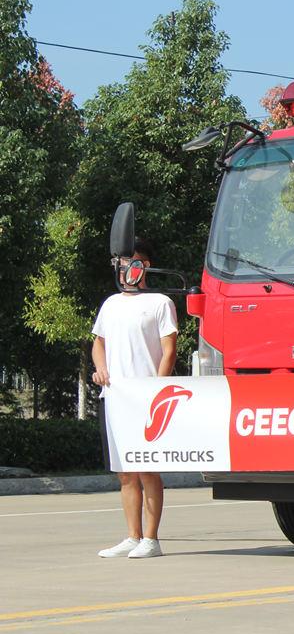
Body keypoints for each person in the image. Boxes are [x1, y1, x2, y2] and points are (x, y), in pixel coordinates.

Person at [92, 237, 179, 559]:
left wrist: (158, 387)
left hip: (145, 398)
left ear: (147, 265)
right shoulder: (111, 304)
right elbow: (98, 343)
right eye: (125, 262)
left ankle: (151, 539)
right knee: (125, 472)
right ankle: (132, 536)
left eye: (137, 261)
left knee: (146, 469)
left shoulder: (159, 302)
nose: (130, 267)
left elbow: (169, 348)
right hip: (115, 396)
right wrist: (100, 370)